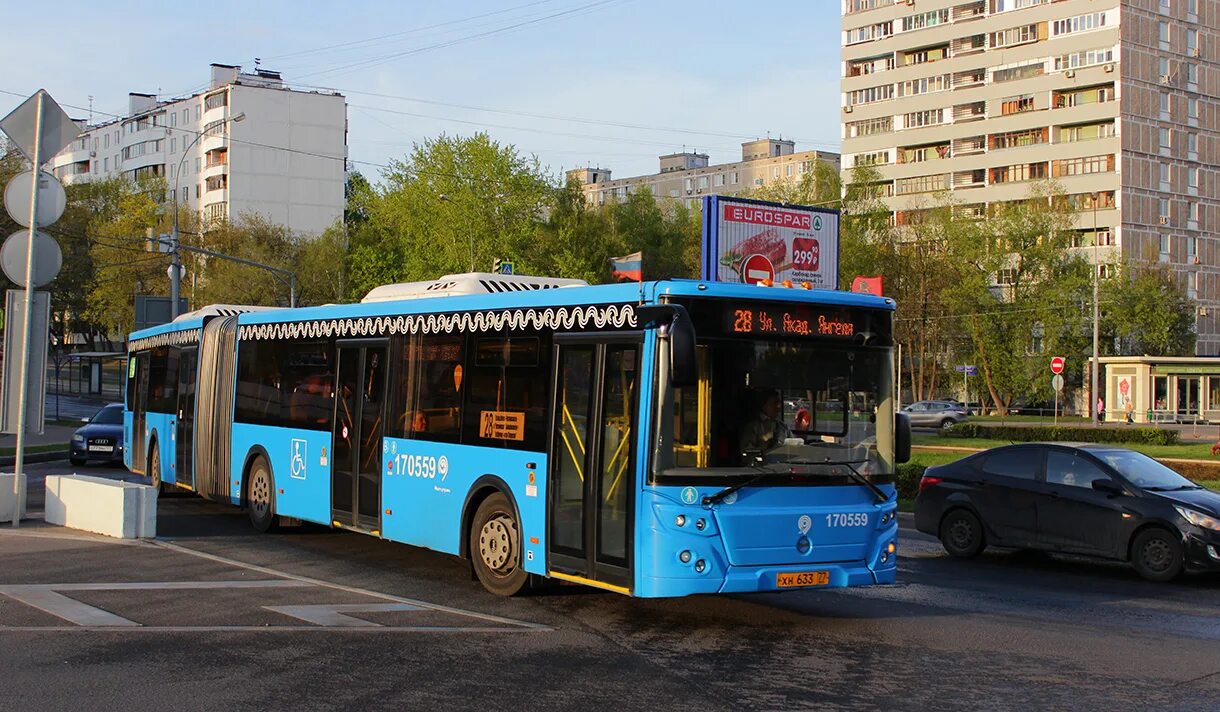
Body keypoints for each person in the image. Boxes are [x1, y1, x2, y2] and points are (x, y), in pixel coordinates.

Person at [740, 389, 792, 454]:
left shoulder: (783, 427)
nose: (778, 407)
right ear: (764, 405)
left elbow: (794, 445)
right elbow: (746, 451)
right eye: (774, 403)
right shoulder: (754, 426)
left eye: (779, 403)